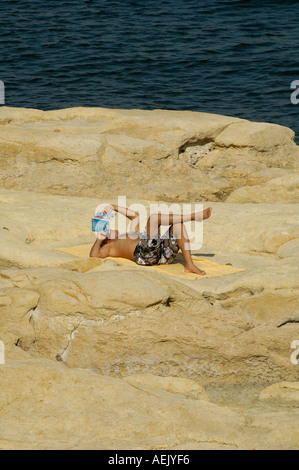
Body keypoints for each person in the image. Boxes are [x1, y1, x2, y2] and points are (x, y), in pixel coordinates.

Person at [90, 203, 212, 275]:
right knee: (154, 218)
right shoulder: (110, 246)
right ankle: (193, 216)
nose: (110, 228)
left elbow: (135, 216)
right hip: (144, 256)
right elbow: (94, 256)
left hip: (162, 256)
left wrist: (114, 206)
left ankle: (189, 265)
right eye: (108, 230)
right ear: (107, 238)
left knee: (178, 226)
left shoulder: (129, 233)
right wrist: (99, 239)